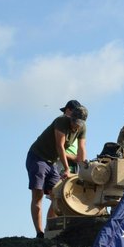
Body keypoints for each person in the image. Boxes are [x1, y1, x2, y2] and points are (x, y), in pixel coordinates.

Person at [26, 101, 87, 237]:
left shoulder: (82, 128)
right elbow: (60, 146)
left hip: (51, 162)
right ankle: (39, 232)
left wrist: (84, 170)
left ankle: (49, 231)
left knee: (57, 196)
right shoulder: (61, 122)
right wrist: (66, 169)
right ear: (70, 117)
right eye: (74, 122)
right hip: (38, 157)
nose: (75, 126)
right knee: (38, 194)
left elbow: (82, 148)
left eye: (79, 123)